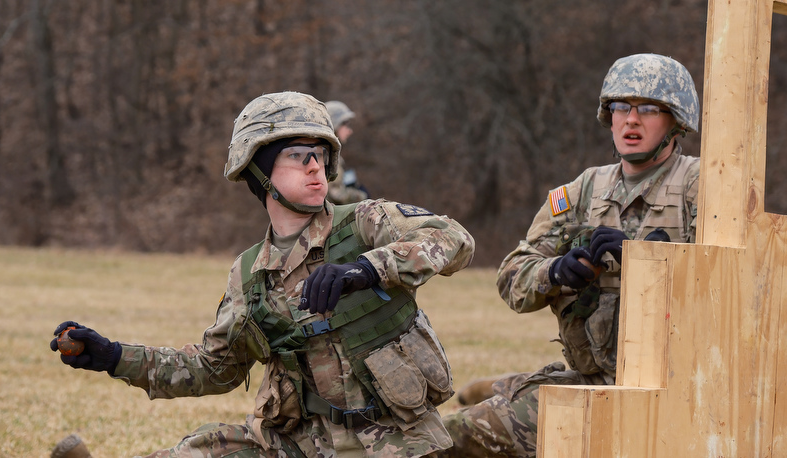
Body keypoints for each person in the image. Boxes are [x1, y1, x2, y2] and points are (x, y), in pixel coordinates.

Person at [50, 91, 475, 457]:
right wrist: (115, 357)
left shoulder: (366, 222)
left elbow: (453, 238)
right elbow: (215, 368)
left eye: (320, 154)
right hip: (297, 443)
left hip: (393, 442)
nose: (314, 166)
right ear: (259, 171)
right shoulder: (251, 273)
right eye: (296, 155)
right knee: (200, 449)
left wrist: (367, 269)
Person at [435, 53, 701, 457]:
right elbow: (512, 278)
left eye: (649, 109)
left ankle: (498, 388)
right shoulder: (583, 192)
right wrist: (557, 271)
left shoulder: (702, 187)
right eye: (619, 108)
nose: (631, 120)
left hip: (681, 390)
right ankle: (497, 390)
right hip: (591, 384)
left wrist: (650, 262)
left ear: (676, 121)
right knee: (441, 439)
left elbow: (739, 288)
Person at [325, 100, 370, 204]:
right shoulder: (326, 155)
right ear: (334, 124)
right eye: (346, 124)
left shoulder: (330, 152)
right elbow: (335, 194)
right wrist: (362, 196)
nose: (350, 131)